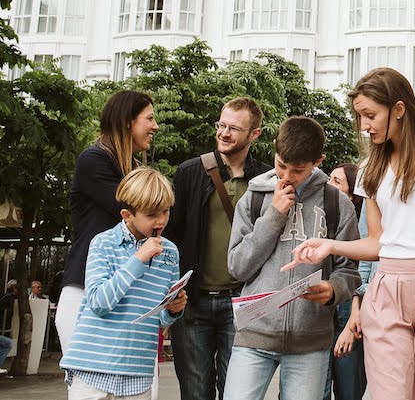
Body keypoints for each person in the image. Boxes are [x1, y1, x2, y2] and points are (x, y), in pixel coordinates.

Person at [286, 67, 415, 400]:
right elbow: (379, 242)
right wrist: (330, 245)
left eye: (370, 115)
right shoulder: (370, 168)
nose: (364, 125)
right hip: (388, 290)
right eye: (360, 117)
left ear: (398, 109)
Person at [224, 116, 360, 400]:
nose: (286, 176)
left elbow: (349, 271)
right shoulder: (254, 198)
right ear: (274, 149)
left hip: (310, 342)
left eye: (297, 170)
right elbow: (238, 267)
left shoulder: (338, 204)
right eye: (281, 165)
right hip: (254, 334)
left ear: (318, 161)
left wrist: (333, 290)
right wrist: (273, 216)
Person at [163, 97, 271, 400]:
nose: (224, 133)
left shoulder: (265, 180)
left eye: (234, 128)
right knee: (195, 393)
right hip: (193, 301)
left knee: (238, 393)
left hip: (242, 301)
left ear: (254, 134)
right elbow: (172, 234)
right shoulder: (189, 172)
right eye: (221, 125)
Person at [59, 166, 188, 400]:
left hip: (136, 370)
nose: (160, 220)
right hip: (92, 367)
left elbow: (159, 319)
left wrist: (173, 310)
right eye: (151, 215)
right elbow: (99, 302)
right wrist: (138, 259)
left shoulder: (170, 253)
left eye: (166, 212)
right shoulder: (103, 243)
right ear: (127, 215)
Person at [57, 91, 159, 353]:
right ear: (127, 121)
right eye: (149, 118)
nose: (155, 126)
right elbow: (137, 208)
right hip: (86, 290)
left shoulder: (133, 168)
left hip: (128, 289)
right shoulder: (94, 160)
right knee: (87, 388)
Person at [327, 162, 369, 400]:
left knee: (348, 388)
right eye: (329, 178)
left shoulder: (363, 227)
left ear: (352, 195)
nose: (328, 184)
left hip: (349, 309)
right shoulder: (320, 216)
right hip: (321, 309)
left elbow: (365, 270)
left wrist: (354, 316)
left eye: (337, 181)